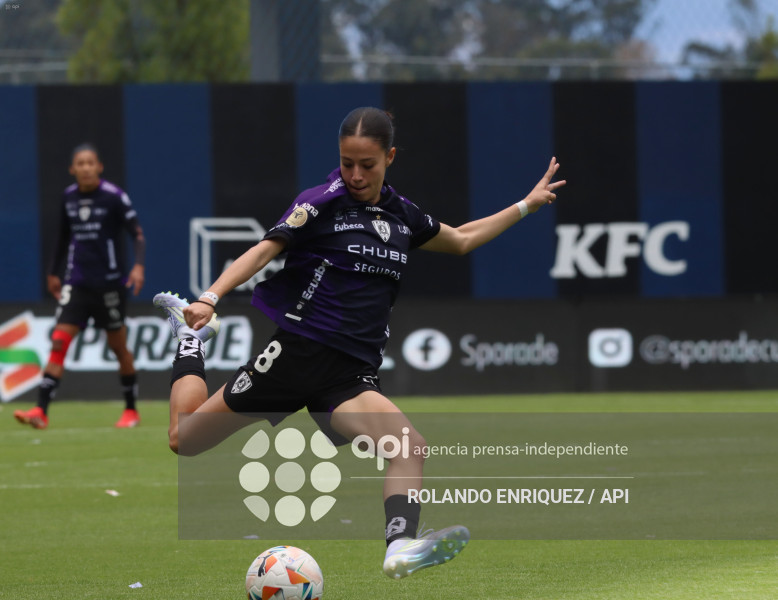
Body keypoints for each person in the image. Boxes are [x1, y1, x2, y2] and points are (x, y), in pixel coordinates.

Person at [153, 107, 565, 578]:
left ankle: (399, 547)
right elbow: (265, 249)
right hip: (296, 357)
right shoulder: (321, 202)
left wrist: (526, 205)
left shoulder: (403, 214)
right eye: (346, 162)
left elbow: (462, 239)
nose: (355, 175)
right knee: (183, 439)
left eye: (367, 164)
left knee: (408, 447)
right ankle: (190, 340)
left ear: (389, 157)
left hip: (349, 374)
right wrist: (210, 297)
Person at [14, 144, 146, 430]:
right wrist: (53, 272)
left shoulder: (114, 196)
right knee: (59, 340)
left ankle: (131, 410)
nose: (85, 167)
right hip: (77, 283)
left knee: (118, 348)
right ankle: (41, 411)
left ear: (99, 167)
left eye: (90, 162)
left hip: (109, 286)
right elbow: (63, 236)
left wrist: (138, 266)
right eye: (80, 163)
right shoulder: (69, 197)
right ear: (72, 169)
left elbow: (137, 234)